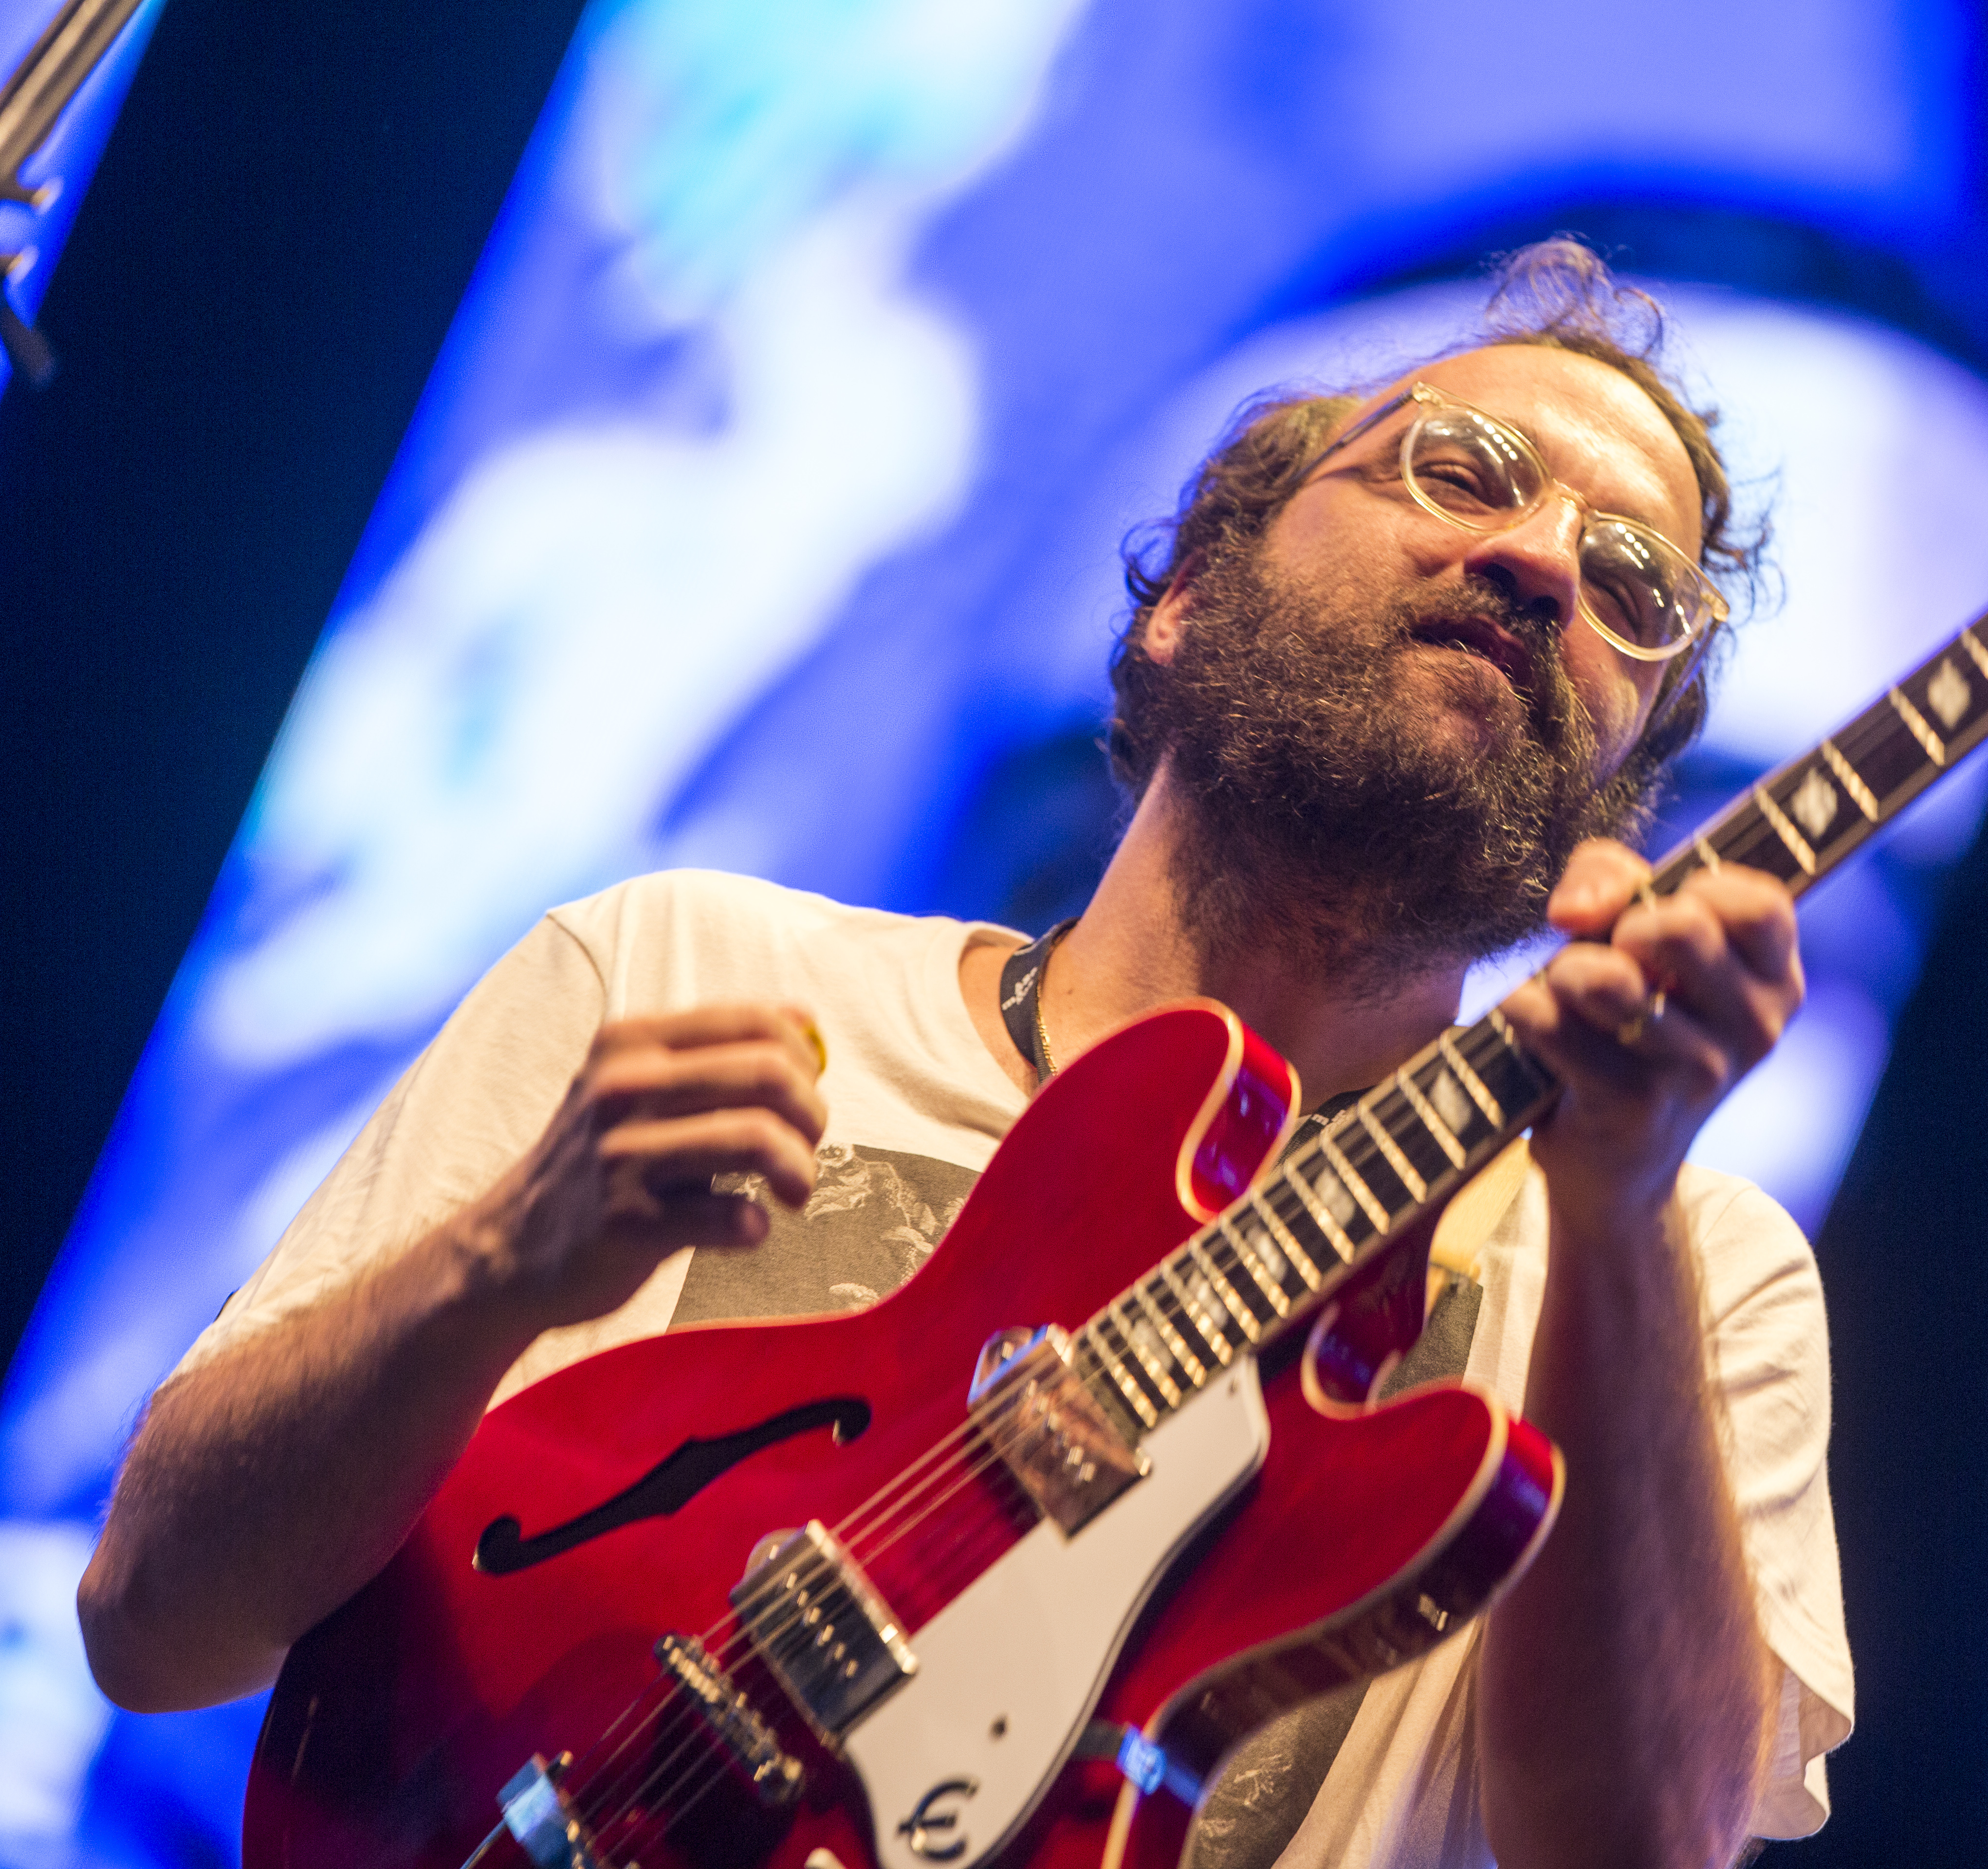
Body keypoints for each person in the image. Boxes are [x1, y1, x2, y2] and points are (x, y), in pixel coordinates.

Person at [76, 240, 1851, 1869]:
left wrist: (1616, 1211)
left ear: (1615, 801)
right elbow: (157, 1621)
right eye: (1462, 469)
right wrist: (497, 1263)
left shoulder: (1683, 1275)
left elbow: (1640, 1850)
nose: (1542, 563)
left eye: (1635, 585)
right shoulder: (682, 968)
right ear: (1187, 595)